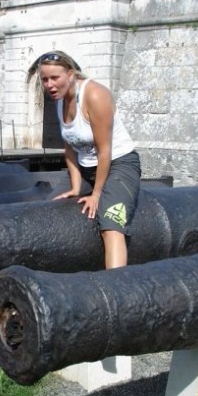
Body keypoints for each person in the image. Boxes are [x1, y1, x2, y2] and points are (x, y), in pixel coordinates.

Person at [32, 51, 141, 269]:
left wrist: (97, 193)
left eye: (55, 78)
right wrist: (75, 187)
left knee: (111, 225)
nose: (50, 85)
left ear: (70, 74)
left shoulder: (95, 95)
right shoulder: (59, 100)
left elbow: (104, 150)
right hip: (86, 167)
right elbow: (69, 146)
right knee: (50, 210)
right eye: (45, 80)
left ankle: (116, 286)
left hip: (119, 163)